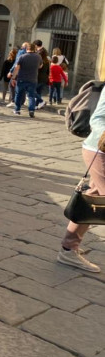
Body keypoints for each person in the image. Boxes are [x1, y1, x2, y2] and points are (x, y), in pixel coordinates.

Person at [57, 87, 105, 273]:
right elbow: (98, 119)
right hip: (100, 151)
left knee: (93, 199)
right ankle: (68, 249)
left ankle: (69, 248)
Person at [11, 43, 42, 117]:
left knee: (19, 94)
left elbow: (17, 68)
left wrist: (13, 78)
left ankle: (17, 110)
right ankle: (31, 110)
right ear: (34, 49)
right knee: (31, 95)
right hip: (33, 79)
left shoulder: (22, 57)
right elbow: (40, 66)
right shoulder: (38, 57)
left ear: (26, 49)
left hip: (22, 78)